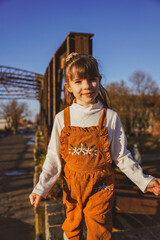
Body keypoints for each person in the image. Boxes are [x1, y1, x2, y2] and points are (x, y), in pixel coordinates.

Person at [29, 53, 160, 240]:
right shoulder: (62, 118)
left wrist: (145, 181)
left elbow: (121, 156)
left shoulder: (110, 117)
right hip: (72, 189)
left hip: (101, 187)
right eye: (78, 81)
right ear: (68, 87)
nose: (86, 86)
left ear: (99, 80)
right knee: (71, 227)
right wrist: (41, 189)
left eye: (91, 79)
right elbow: (53, 159)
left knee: (98, 231)